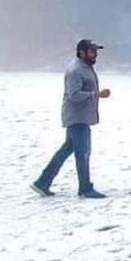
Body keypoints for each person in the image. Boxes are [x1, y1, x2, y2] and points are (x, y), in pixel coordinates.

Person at [31, 39, 111, 199]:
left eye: (96, 51)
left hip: (80, 117)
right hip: (77, 118)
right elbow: (73, 95)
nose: (95, 54)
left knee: (66, 150)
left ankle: (42, 182)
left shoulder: (85, 67)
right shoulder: (75, 70)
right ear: (82, 52)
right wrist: (97, 94)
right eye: (92, 51)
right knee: (83, 153)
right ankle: (85, 188)